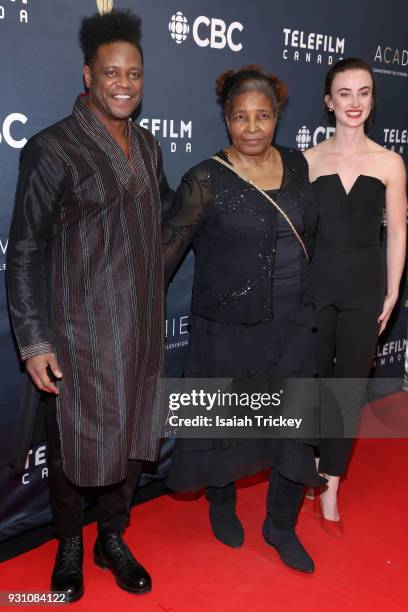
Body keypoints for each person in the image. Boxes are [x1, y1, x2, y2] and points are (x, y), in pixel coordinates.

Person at [7, 10, 170, 602]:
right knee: (77, 447)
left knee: (132, 441)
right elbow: (23, 249)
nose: (124, 83)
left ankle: (113, 537)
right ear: (88, 76)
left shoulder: (150, 149)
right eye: (112, 73)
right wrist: (35, 341)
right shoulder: (52, 149)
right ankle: (70, 542)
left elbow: (169, 221)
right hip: (80, 336)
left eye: (134, 73)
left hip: (145, 331)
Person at [162, 65, 325, 573]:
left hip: (294, 326)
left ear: (277, 118)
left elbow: (315, 239)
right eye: (240, 117)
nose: (252, 127)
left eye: (262, 116)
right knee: (224, 424)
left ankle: (280, 526)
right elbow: (161, 260)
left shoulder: (298, 166)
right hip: (226, 329)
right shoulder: (204, 179)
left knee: (295, 429)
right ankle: (222, 500)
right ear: (226, 120)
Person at [303, 57, 406, 536]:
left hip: (366, 289)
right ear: (329, 101)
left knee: (348, 389)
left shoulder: (389, 162)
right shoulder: (307, 161)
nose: (354, 102)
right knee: (316, 381)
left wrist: (391, 293)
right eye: (344, 93)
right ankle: (313, 460)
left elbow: (399, 233)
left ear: (372, 100)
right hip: (315, 285)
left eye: (363, 92)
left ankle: (331, 488)